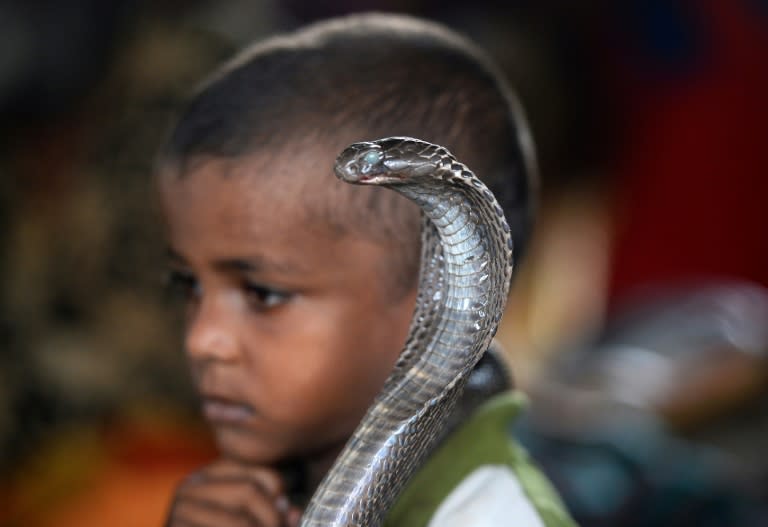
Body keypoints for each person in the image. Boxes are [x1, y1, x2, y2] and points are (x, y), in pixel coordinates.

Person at [155, 12, 574, 527]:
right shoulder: (261, 484)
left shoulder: (493, 518)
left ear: (434, 307)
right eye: (190, 284)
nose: (203, 339)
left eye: (263, 293)